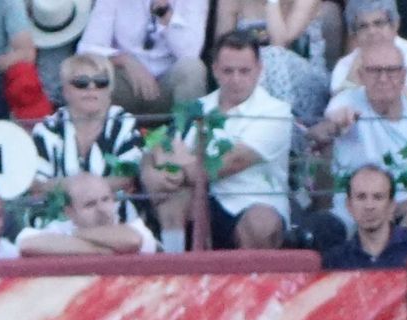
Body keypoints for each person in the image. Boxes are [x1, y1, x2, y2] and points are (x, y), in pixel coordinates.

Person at [143, 31, 293, 248]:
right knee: (171, 200)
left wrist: (178, 168)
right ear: (214, 70)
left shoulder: (276, 112)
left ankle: (252, 282)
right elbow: (160, 148)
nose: (236, 79)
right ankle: (174, 272)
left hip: (253, 202)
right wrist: (150, 172)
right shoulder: (198, 107)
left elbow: (226, 164)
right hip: (202, 199)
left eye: (244, 71)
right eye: (228, 71)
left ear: (260, 70)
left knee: (261, 223)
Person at [307, 39, 407, 237]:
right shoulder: (344, 101)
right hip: (349, 212)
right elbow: (317, 134)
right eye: (374, 71)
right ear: (361, 75)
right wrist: (333, 128)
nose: (383, 78)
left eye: (392, 71)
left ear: (404, 76)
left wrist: (384, 213)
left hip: (400, 213)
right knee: (321, 229)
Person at [29, 50, 145, 223]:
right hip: (58, 223)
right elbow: (38, 185)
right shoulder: (47, 128)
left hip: (115, 221)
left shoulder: (123, 123)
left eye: (101, 82)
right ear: (66, 90)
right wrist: (92, 190)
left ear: (110, 90)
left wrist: (69, 188)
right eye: (81, 83)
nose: (92, 88)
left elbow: (126, 178)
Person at [76, 0, 210, 113]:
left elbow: (190, 53)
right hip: (127, 82)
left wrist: (164, 12)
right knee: (92, 72)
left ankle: (186, 137)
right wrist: (125, 61)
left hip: (167, 85)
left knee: (192, 69)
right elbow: (87, 49)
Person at [214, 0, 333, 125]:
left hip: (306, 84)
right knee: (253, 64)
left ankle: (280, 125)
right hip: (251, 80)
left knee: (271, 55)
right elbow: (222, 50)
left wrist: (272, 2)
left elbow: (280, 43)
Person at [327, 0, 407, 110]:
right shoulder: (345, 65)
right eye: (363, 26)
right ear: (355, 33)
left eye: (379, 23)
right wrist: (353, 75)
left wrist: (355, 100)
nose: (372, 31)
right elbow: (337, 109)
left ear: (395, 25)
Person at [321, 162, 407, 265]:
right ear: (349, 206)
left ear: (391, 205)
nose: (369, 206)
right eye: (361, 197)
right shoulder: (336, 260)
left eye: (378, 197)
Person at [14, 171, 159, 251]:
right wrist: (104, 250)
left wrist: (75, 235)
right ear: (69, 212)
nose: (102, 209)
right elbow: (26, 243)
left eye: (106, 200)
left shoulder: (135, 227)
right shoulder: (59, 228)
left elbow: (133, 240)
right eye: (90, 204)